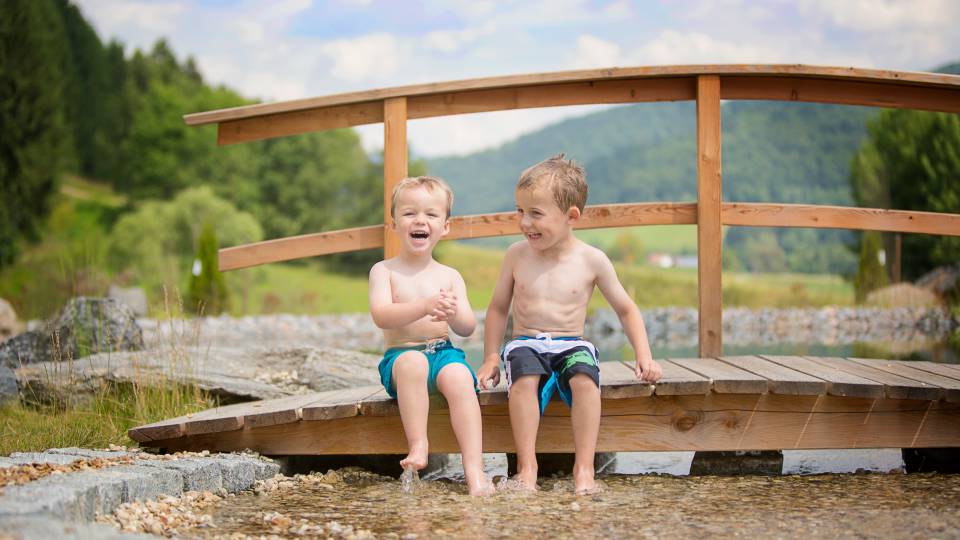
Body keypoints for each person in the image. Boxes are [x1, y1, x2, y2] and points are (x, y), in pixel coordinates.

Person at [475, 154, 663, 494]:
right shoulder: (516, 255)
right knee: (524, 377)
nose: (524, 223)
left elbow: (626, 308)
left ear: (570, 216)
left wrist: (644, 355)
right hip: (526, 342)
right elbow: (498, 307)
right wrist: (490, 356)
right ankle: (527, 467)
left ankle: (585, 469)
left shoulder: (591, 260)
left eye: (535, 213)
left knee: (585, 378)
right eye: (520, 211)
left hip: (570, 342)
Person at [368, 175, 494, 496]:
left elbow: (467, 327)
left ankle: (474, 469)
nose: (420, 220)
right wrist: (423, 305)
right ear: (394, 224)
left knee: (460, 378)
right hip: (401, 357)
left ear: (445, 227)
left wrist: (453, 314)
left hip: (443, 353)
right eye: (409, 213)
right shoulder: (385, 271)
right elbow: (381, 315)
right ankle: (419, 443)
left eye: (431, 214)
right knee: (413, 363)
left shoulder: (450, 276)